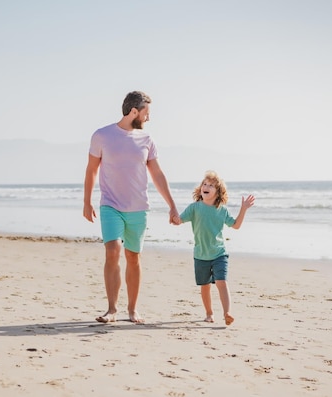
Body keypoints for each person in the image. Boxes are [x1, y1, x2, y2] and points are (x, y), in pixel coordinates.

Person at [83, 91, 179, 324]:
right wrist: (86, 202)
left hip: (138, 208)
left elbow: (156, 173)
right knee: (112, 250)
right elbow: (92, 169)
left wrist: (172, 205)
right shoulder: (102, 135)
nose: (148, 118)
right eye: (146, 112)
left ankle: (133, 310)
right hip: (110, 205)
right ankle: (112, 309)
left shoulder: (146, 140)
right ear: (134, 111)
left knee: (133, 257)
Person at [173, 170, 255, 325]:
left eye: (211, 185)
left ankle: (227, 313)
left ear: (218, 193)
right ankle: (209, 313)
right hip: (200, 255)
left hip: (219, 253)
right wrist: (174, 217)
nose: (206, 186)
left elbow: (236, 225)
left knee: (221, 282)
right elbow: (180, 220)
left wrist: (243, 209)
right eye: (204, 184)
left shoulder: (222, 210)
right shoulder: (194, 208)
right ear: (200, 189)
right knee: (204, 286)